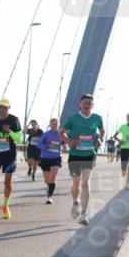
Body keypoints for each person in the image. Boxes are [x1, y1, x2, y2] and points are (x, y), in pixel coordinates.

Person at [60, 93, 106, 225]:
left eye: (89, 103)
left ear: (93, 105)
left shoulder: (97, 118)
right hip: (75, 155)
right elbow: (60, 132)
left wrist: (100, 140)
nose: (87, 105)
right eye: (85, 102)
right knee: (76, 183)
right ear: (80, 104)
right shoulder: (72, 118)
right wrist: (69, 141)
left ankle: (84, 214)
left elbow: (102, 131)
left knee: (85, 183)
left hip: (89, 155)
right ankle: (75, 202)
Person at [38, 118, 64, 204]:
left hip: (56, 158)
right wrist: (47, 146)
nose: (54, 125)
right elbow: (39, 144)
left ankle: (49, 197)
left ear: (58, 125)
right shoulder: (45, 134)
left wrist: (65, 144)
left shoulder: (61, 134)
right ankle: (49, 186)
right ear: (50, 125)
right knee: (47, 180)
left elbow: (66, 142)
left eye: (56, 124)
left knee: (52, 178)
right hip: (45, 158)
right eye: (53, 124)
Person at [116, 113, 129, 186]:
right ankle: (123, 170)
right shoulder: (123, 127)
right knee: (124, 168)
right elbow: (115, 136)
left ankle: (127, 183)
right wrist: (120, 141)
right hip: (124, 148)